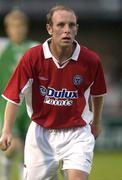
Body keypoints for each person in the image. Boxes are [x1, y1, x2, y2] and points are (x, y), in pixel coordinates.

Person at [0, 5, 107, 180]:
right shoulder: (32, 57)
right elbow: (14, 96)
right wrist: (6, 130)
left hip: (77, 132)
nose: (67, 30)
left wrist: (96, 122)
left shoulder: (91, 60)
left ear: (77, 29)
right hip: (41, 134)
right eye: (61, 25)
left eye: (72, 25)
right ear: (49, 29)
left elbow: (98, 93)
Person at [0, 9, 39, 180]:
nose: (17, 30)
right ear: (7, 28)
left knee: (28, 153)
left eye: (21, 26)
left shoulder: (34, 48)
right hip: (6, 105)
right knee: (11, 146)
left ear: (26, 27)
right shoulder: (2, 47)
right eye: (14, 26)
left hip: (30, 108)